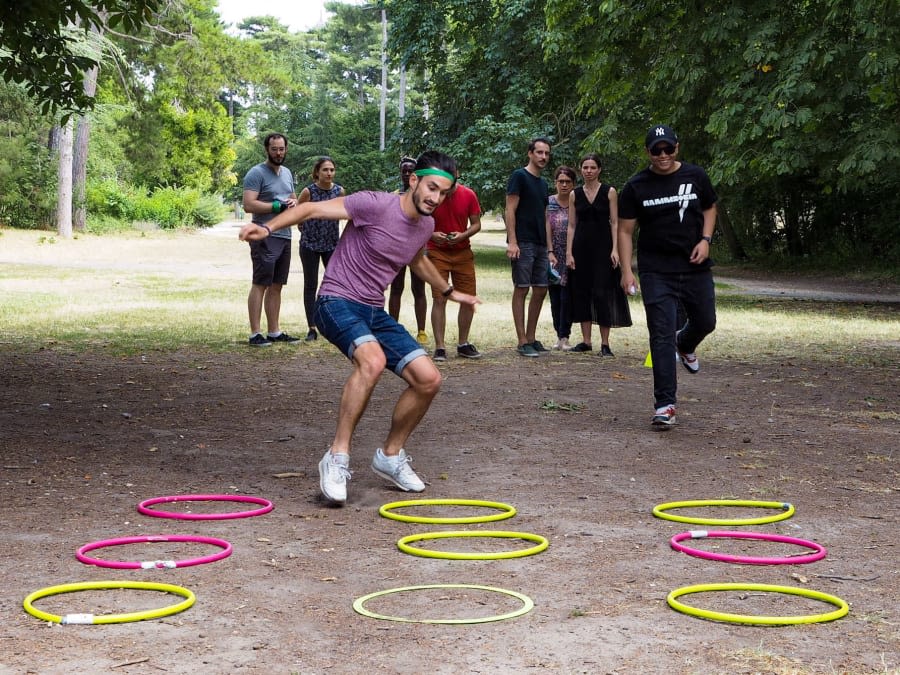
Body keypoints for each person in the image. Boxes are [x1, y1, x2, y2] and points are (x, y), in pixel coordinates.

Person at [239, 151, 481, 505]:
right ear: (414, 181)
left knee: (429, 379)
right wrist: (267, 227)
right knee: (372, 361)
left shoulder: (426, 226)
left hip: (373, 311)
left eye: (443, 193)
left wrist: (448, 291)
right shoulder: (374, 204)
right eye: (432, 188)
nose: (435, 198)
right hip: (336, 301)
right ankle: (336, 457)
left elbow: (417, 259)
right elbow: (309, 209)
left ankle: (391, 456)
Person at [618, 124, 718, 429]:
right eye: (656, 150)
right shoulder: (636, 186)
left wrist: (705, 239)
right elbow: (624, 230)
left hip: (694, 265)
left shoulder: (695, 176)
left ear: (677, 148)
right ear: (647, 152)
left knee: (706, 321)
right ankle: (665, 404)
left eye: (668, 149)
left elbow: (711, 207)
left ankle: (685, 343)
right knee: (660, 336)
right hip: (656, 270)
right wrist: (626, 270)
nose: (663, 155)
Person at [565, 153, 632, 355]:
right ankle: (586, 341)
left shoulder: (609, 192)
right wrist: (569, 252)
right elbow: (571, 225)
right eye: (585, 167)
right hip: (581, 248)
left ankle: (605, 343)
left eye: (593, 167)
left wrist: (615, 249)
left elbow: (615, 222)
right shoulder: (574, 194)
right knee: (582, 292)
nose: (589, 171)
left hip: (604, 248)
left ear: (599, 169)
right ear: (580, 170)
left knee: (603, 293)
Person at [242, 133, 300, 347]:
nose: (278, 153)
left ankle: (274, 331)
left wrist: (292, 204)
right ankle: (255, 333)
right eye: (274, 149)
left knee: (277, 285)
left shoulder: (286, 173)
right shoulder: (256, 173)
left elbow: (292, 197)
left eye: (282, 149)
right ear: (267, 149)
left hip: (285, 234)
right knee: (260, 283)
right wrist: (275, 206)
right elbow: (249, 204)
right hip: (264, 234)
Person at [428, 169, 483, 361]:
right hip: (437, 251)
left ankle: (463, 343)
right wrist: (432, 234)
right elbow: (419, 221)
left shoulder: (468, 194)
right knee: (439, 298)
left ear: (457, 174)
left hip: (462, 252)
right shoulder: (431, 195)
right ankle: (440, 347)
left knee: (468, 299)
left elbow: (476, 224)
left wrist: (463, 235)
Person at [505, 137, 552, 357]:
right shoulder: (519, 176)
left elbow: (544, 217)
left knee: (541, 289)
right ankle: (521, 339)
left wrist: (549, 248)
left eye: (546, 153)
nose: (543, 157)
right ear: (530, 153)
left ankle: (532, 337)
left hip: (541, 243)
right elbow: (510, 209)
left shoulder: (543, 183)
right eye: (539, 152)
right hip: (522, 242)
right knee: (522, 288)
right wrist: (512, 241)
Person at [296, 156, 345, 342]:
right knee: (310, 284)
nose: (329, 173)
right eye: (325, 170)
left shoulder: (339, 191)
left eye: (332, 170)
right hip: (309, 244)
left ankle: (334, 323)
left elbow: (345, 212)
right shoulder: (309, 192)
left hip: (331, 244)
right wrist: (303, 226)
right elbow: (297, 213)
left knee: (334, 284)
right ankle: (312, 327)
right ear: (317, 172)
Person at [388, 156, 429, 346]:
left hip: (418, 249)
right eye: (403, 170)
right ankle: (392, 328)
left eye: (409, 170)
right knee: (396, 288)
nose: (406, 174)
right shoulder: (394, 195)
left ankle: (421, 331)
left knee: (419, 289)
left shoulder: (425, 196)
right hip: (397, 249)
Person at [546, 165, 576, 350]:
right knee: (555, 297)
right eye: (561, 181)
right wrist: (549, 251)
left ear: (573, 184)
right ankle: (559, 335)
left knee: (568, 297)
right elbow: (546, 227)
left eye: (568, 181)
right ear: (555, 183)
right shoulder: (548, 201)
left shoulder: (576, 201)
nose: (564, 185)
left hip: (572, 255)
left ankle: (565, 335)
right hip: (553, 255)